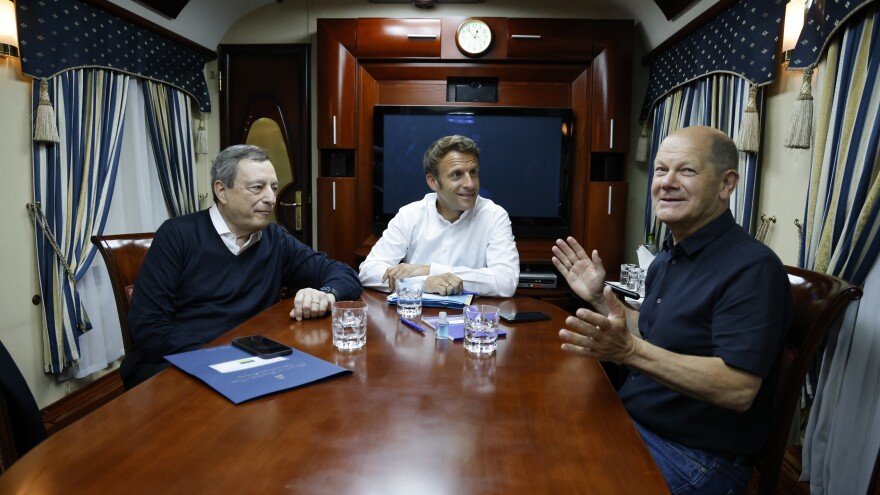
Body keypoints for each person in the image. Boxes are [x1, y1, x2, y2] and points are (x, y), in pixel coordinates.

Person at [551, 126, 792, 494]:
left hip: (696, 458)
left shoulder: (752, 268)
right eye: (661, 170)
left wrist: (630, 353)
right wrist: (600, 296)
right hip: (635, 423)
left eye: (687, 170)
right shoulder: (667, 260)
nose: (667, 182)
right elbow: (650, 333)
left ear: (727, 184)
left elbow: (738, 389)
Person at [122, 144, 362, 389]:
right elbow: (148, 326)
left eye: (274, 188)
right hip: (182, 364)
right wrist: (224, 357)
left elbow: (345, 275)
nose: (271, 198)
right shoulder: (176, 235)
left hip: (253, 363)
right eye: (257, 188)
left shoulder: (275, 239)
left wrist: (326, 294)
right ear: (222, 191)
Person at [359, 135, 519, 297]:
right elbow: (368, 271)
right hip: (414, 315)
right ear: (433, 182)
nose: (470, 184)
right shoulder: (410, 214)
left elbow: (506, 282)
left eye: (473, 172)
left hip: (470, 317)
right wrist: (422, 283)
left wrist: (429, 270)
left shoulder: (494, 216)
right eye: (457, 174)